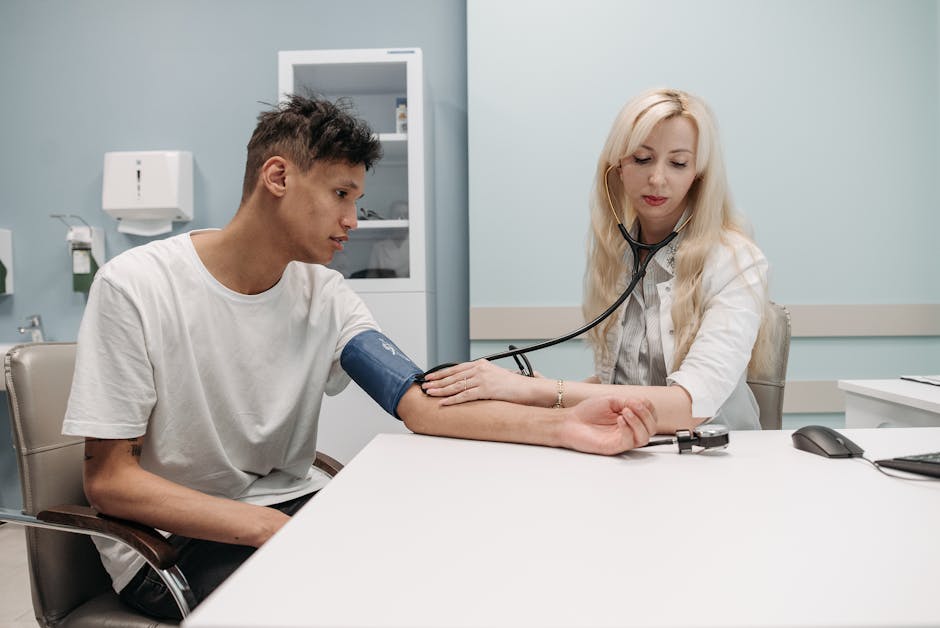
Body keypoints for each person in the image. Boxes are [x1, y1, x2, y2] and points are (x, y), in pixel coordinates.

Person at [62, 94, 658, 620]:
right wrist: (272, 529)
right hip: (171, 546)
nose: (352, 220)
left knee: (443, 562)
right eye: (340, 194)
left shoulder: (325, 295)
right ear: (278, 177)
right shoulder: (135, 287)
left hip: (287, 512)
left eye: (358, 198)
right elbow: (111, 482)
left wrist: (564, 425)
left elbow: (421, 405)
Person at [422, 87, 771, 433]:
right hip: (636, 449)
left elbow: (688, 406)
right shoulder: (617, 255)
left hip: (720, 460)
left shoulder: (736, 262)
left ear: (698, 175)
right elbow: (624, 384)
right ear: (618, 167)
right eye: (642, 158)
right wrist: (540, 395)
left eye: (678, 163)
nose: (657, 178)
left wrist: (536, 390)